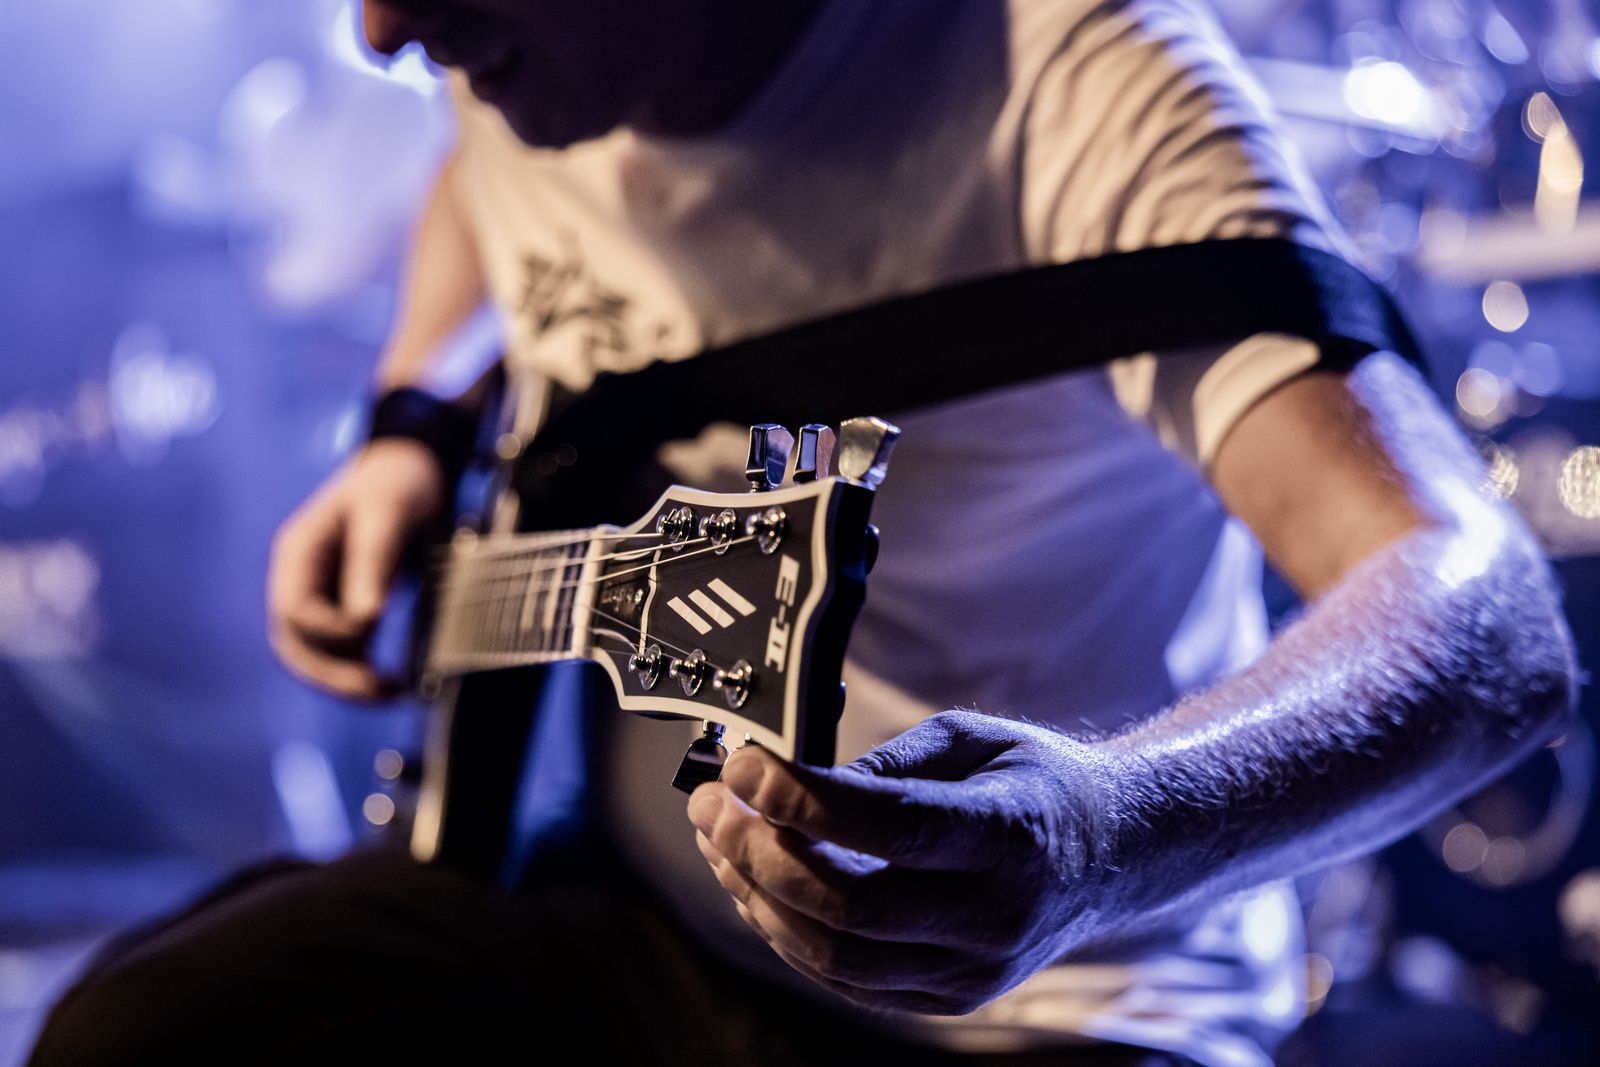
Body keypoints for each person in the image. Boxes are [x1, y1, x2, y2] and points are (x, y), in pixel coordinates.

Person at [32, 1, 1576, 1065]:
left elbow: (1482, 618)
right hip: (639, 925)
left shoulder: (1084, 90)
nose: (383, 30)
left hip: (1046, 1004)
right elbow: (474, 183)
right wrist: (411, 427)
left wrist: (1099, 835)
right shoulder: (525, 56)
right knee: (137, 1035)